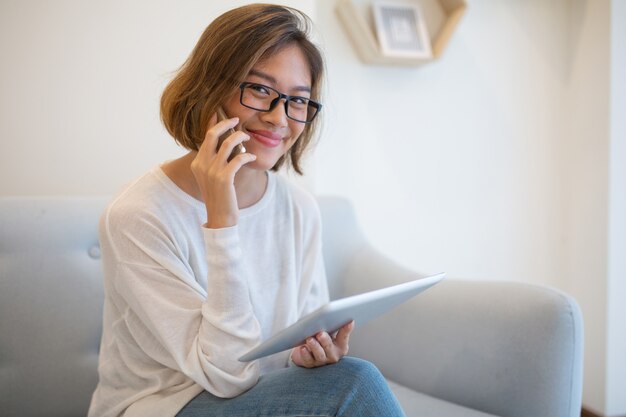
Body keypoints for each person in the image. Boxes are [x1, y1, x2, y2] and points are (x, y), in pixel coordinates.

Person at [88, 4, 406, 417]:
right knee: (356, 383)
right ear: (209, 89)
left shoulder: (299, 208)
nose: (279, 118)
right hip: (165, 407)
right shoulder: (138, 215)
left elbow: (288, 350)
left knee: (344, 376)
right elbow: (226, 376)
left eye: (298, 101)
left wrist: (306, 357)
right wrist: (222, 220)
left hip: (263, 394)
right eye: (259, 90)